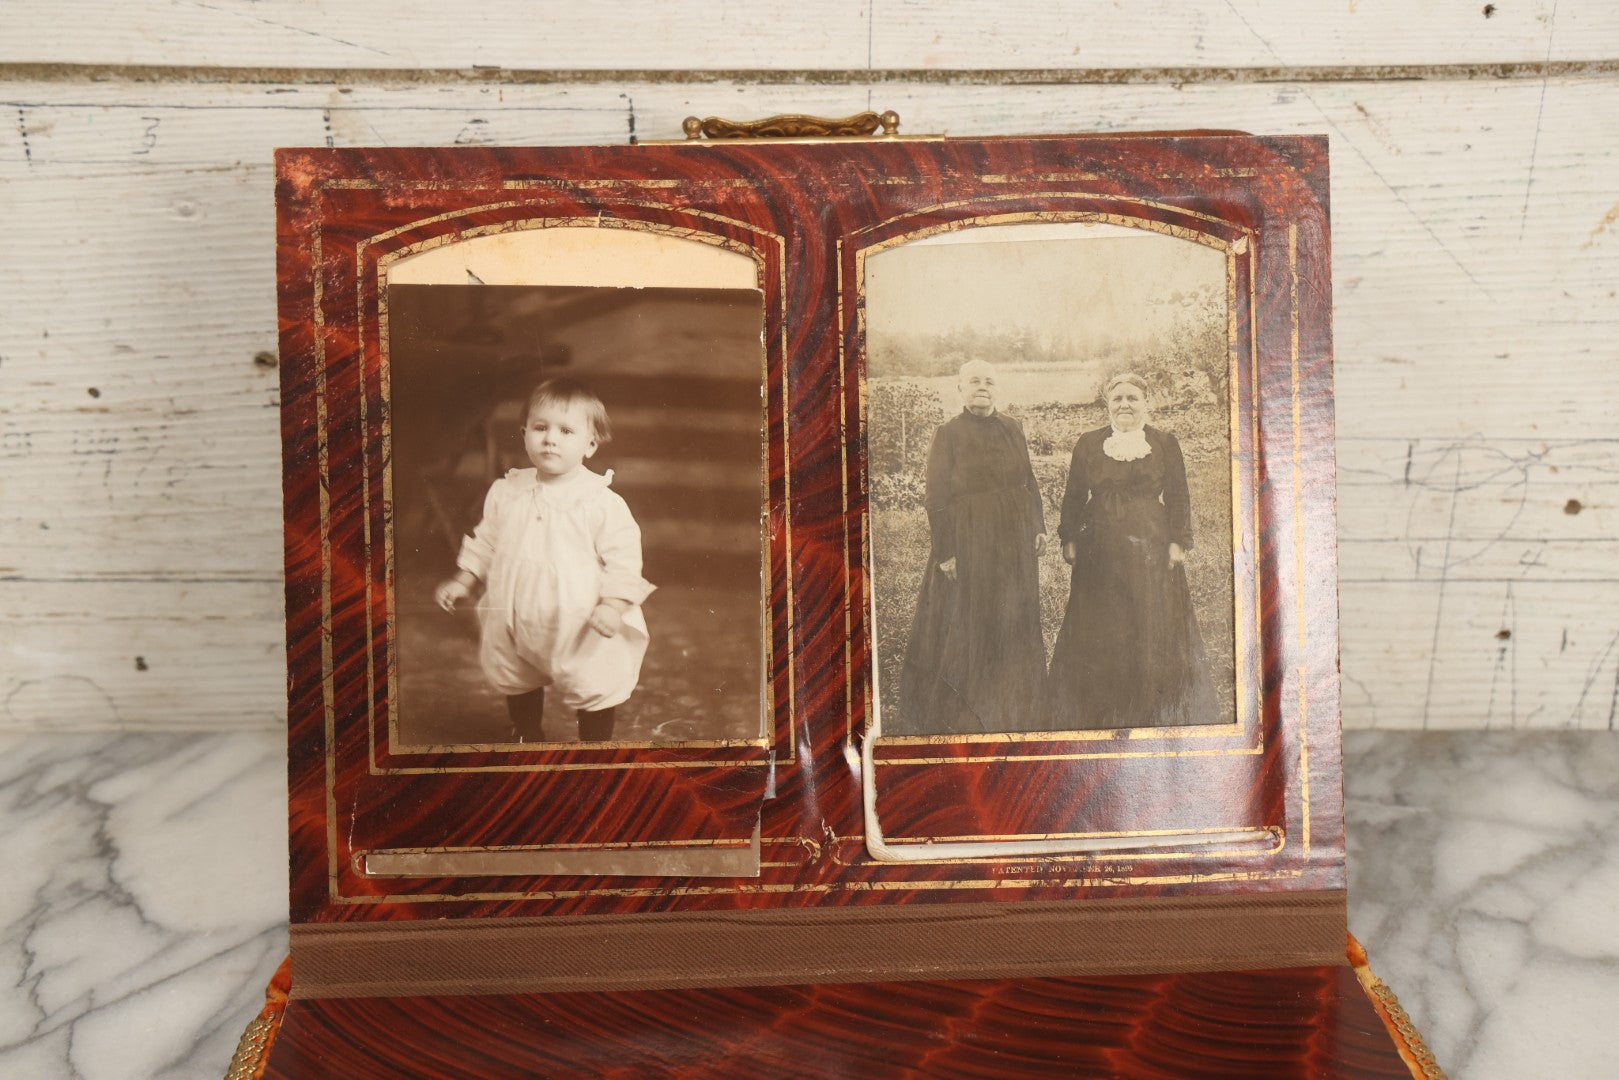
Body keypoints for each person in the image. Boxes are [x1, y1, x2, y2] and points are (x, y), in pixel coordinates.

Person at [435, 377, 653, 743]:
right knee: (515, 672)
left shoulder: (599, 501)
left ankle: (594, 745)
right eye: (540, 428)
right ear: (524, 434)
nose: (550, 438)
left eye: (566, 431)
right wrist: (463, 579)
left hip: (579, 618)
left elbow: (625, 559)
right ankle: (526, 731)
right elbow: (486, 540)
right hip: (515, 610)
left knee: (592, 677)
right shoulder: (506, 492)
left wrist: (614, 605)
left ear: (590, 444)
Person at [1047, 372, 1217, 729]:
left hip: (1150, 545)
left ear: (1147, 402)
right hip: (1100, 548)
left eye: (1132, 398)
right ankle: (1103, 701)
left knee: (1150, 617)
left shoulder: (1165, 443)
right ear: (1107, 404)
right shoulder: (1089, 443)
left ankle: (1150, 701)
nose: (1124, 404)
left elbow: (1179, 495)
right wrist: (1069, 538)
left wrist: (1177, 541)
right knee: (1103, 621)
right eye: (1117, 398)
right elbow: (1075, 495)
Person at [895, 359, 1047, 734]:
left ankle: (1012, 694)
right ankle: (968, 701)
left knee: (1012, 610)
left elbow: (1028, 480)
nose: (983, 386)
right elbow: (936, 497)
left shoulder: (1013, 427)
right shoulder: (948, 434)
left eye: (990, 381)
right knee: (970, 612)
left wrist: (1039, 526)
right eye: (975, 381)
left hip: (1013, 537)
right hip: (970, 538)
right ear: (960, 389)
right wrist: (946, 551)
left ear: (998, 389)